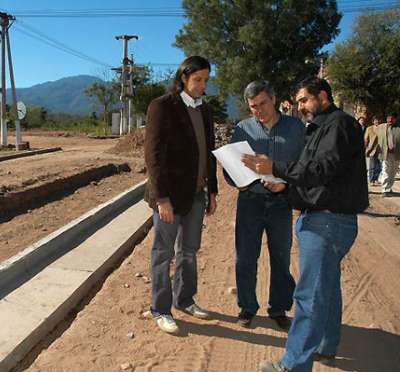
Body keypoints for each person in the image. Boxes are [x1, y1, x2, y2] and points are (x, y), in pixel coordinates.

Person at [243, 77, 368, 372]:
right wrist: (284, 188)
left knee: (309, 294)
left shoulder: (338, 125)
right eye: (298, 102)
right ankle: (326, 345)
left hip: (327, 222)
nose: (299, 107)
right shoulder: (323, 127)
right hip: (324, 218)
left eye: (303, 100)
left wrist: (275, 168)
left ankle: (293, 365)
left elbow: (320, 170)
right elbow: (316, 181)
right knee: (327, 288)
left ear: (322, 97)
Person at [144, 55, 218, 334]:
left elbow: (209, 153)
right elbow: (153, 155)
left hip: (197, 194)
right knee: (163, 252)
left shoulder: (205, 111)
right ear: (183, 78)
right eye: (197, 79)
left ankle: (185, 300)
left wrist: (212, 190)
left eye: (206, 80)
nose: (202, 85)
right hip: (169, 196)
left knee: (189, 250)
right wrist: (161, 198)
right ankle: (160, 309)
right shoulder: (163, 106)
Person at [225, 80, 304, 330]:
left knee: (280, 257)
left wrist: (286, 185)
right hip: (250, 202)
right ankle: (247, 307)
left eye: (262, 104)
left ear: (274, 99)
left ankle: (279, 308)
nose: (258, 110)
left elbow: (304, 167)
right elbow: (230, 166)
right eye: (253, 107)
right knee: (246, 257)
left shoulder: (295, 128)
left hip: (281, 203)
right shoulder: (243, 129)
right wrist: (237, 181)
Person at [376, 114, 400, 196]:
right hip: (385, 153)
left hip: (397, 153)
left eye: (391, 119)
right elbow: (375, 137)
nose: (389, 120)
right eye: (388, 119)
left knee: (393, 172)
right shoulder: (381, 127)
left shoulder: (398, 128)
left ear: (395, 119)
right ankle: (384, 190)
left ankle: (389, 188)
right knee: (385, 170)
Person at [364, 117, 382, 185]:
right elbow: (366, 139)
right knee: (372, 166)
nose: (377, 121)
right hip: (372, 149)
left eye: (378, 120)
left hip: (380, 149)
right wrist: (366, 147)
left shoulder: (381, 128)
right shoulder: (369, 128)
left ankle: (376, 179)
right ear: (373, 121)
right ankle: (371, 180)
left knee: (379, 166)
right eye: (375, 120)